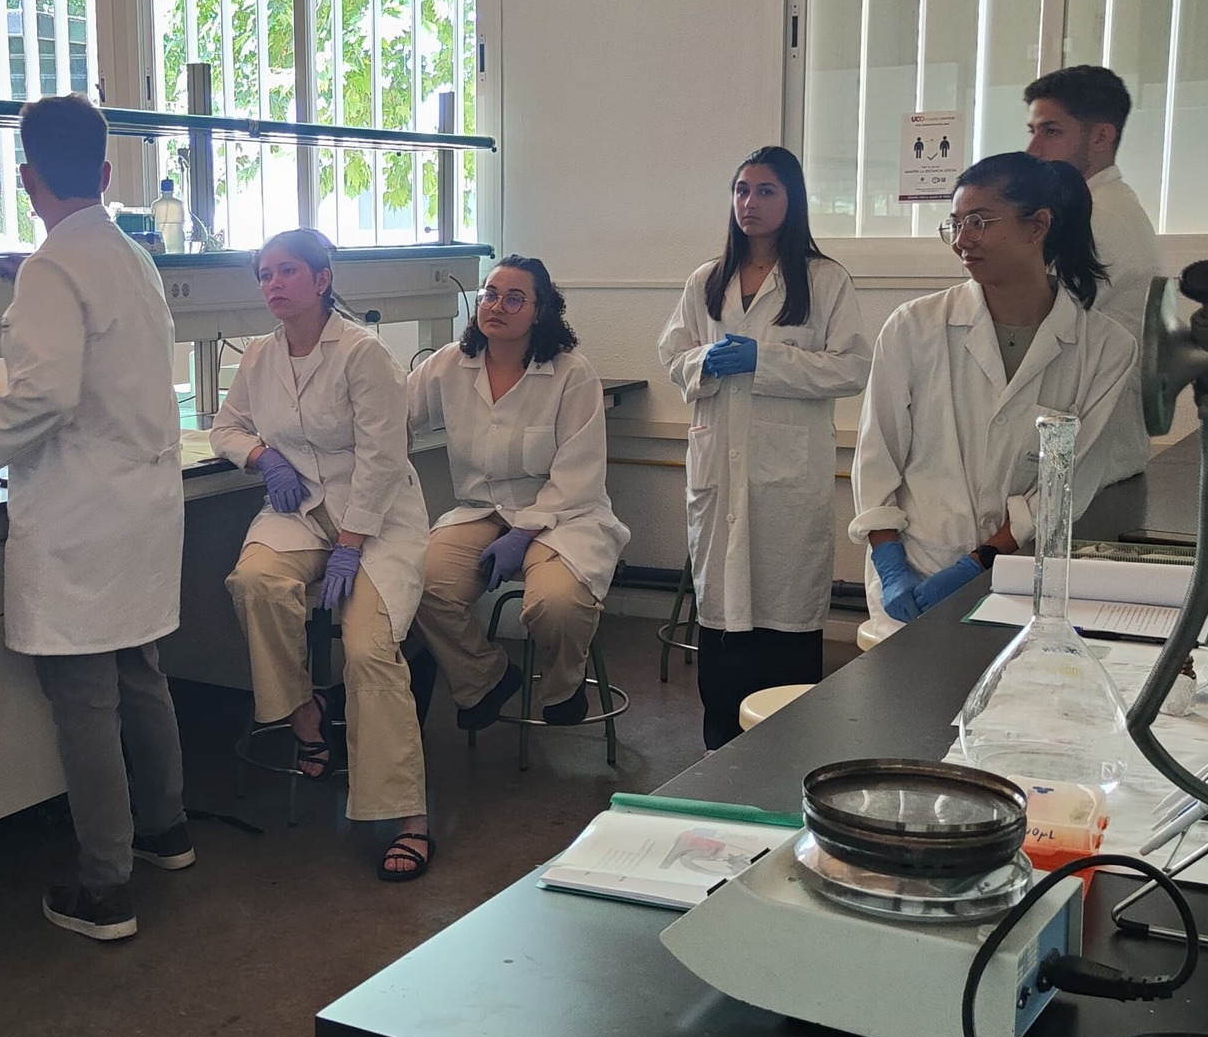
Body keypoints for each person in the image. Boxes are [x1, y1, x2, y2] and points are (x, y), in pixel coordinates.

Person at [0, 95, 191, 943]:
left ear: (26, 178)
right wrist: (31, 283)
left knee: (86, 698)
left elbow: (46, 396)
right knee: (140, 670)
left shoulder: (51, 268)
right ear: (104, 172)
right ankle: (165, 831)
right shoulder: (128, 254)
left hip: (82, 513)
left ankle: (106, 887)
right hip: (140, 502)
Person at [211, 230, 436, 880]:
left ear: (322, 279)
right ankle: (306, 713)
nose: (273, 283)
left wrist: (352, 544)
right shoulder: (259, 355)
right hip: (300, 512)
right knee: (254, 582)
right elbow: (225, 427)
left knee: (366, 650)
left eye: (287, 270)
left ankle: (407, 815)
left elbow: (384, 457)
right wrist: (262, 456)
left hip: (378, 518)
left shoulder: (363, 354)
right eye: (264, 274)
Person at [851, 152, 1138, 627]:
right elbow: (877, 456)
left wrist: (980, 561)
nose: (962, 240)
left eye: (979, 222)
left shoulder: (1106, 349)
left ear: (1037, 226)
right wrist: (890, 566)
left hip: (1021, 578)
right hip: (913, 571)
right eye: (955, 224)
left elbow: (1069, 483)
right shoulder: (913, 327)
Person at [657, 146, 871, 749]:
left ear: (792, 199)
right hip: (718, 474)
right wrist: (706, 359)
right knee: (722, 622)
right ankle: (720, 755)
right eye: (742, 190)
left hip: (786, 482)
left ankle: (786, 756)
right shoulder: (707, 279)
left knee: (784, 618)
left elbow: (852, 367)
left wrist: (765, 361)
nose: (750, 202)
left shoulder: (824, 280)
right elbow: (672, 354)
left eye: (766, 191)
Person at [408, 255, 629, 729]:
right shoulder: (449, 364)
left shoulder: (571, 374)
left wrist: (523, 533)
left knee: (557, 604)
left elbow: (578, 475)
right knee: (420, 585)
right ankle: (485, 677)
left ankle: (564, 687)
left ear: (540, 310)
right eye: (490, 295)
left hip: (563, 515)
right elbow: (392, 417)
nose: (496, 306)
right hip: (480, 512)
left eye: (514, 299)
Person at [1024, 65, 1164, 530]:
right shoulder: (1113, 207)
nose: (1033, 149)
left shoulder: (1098, 219)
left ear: (1102, 136)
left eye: (1051, 131)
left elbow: (1030, 324)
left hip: (1089, 465)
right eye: (1032, 131)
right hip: (1091, 456)